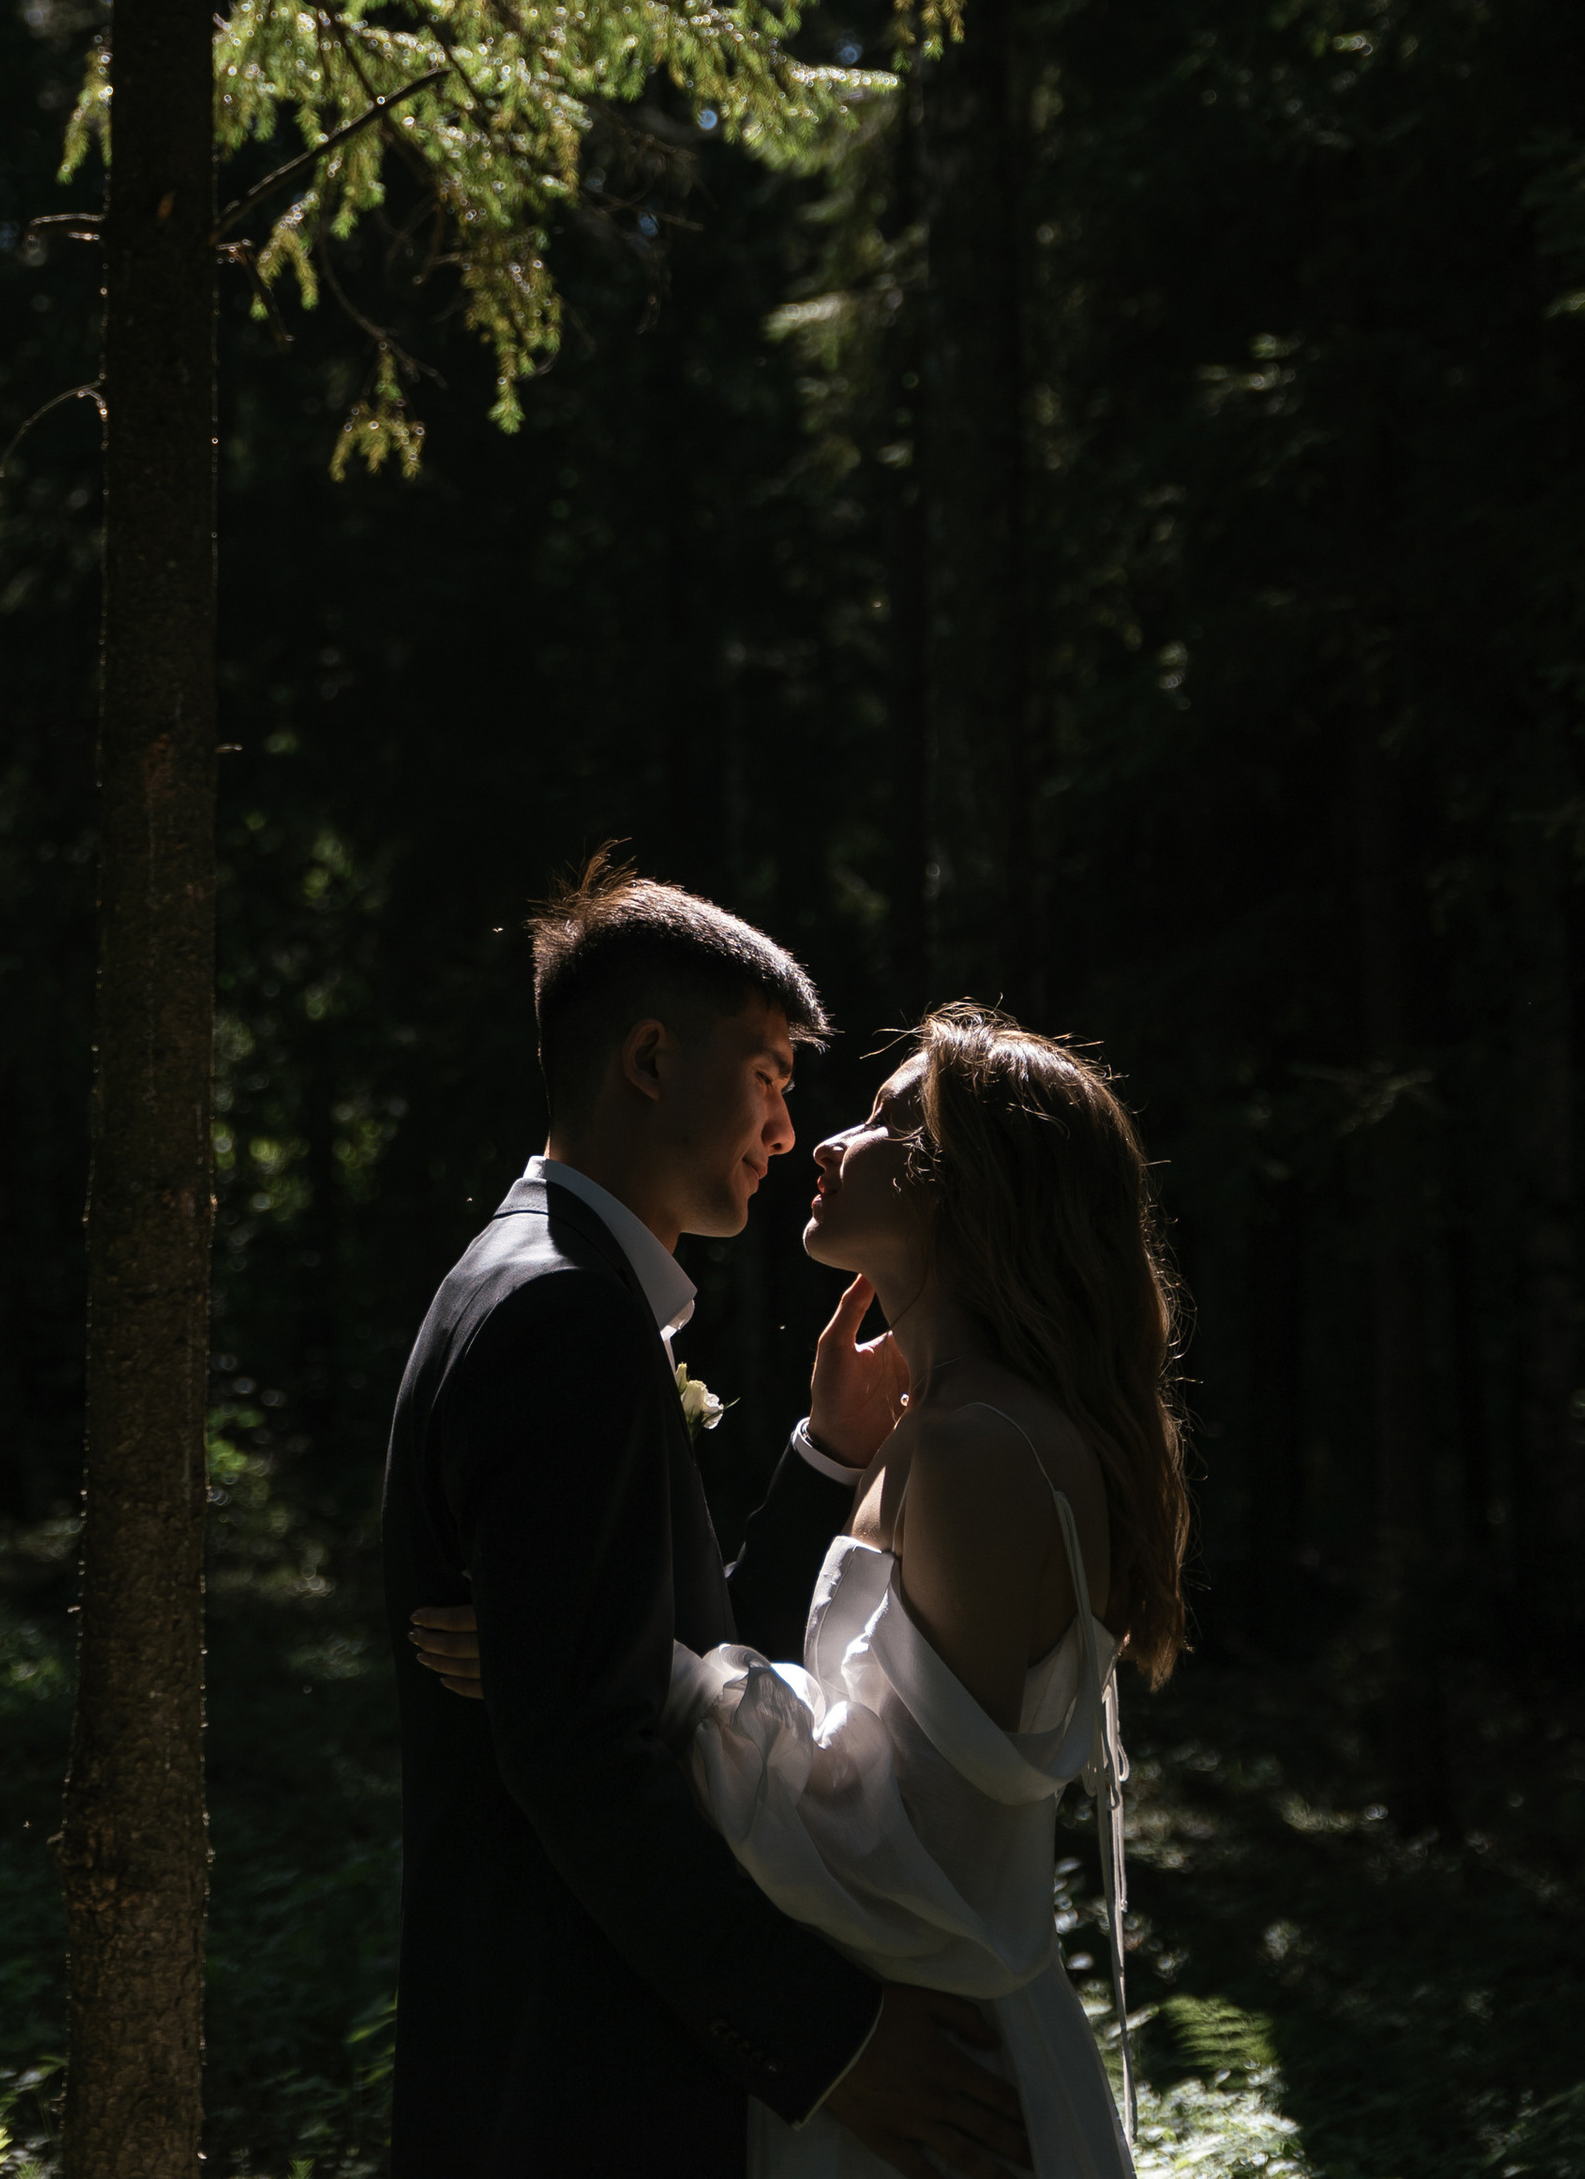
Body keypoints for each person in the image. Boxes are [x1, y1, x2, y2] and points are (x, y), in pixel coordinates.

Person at [383, 859, 1032, 2179]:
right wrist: (834, 2039)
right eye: (771, 1074)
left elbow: (663, 1655)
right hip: (574, 2076)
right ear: (650, 1059)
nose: (789, 1129)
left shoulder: (533, 1278)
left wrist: (823, 1457)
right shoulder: (564, 1315)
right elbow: (587, 1760)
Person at [672, 1004, 1191, 2177]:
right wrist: (837, 1451)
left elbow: (887, 1845)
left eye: (888, 1119)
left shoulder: (974, 1451)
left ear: (980, 1186)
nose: (828, 1143)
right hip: (937, 2047)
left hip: (929, 2082)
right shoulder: (943, 1434)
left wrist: (637, 1678)